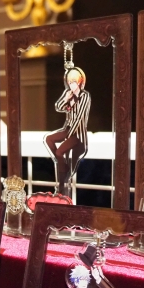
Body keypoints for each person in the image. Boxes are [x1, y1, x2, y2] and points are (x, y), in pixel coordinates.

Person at [44, 67, 91, 197]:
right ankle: (62, 164)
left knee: (60, 152)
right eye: (70, 82)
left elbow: (79, 118)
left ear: (80, 82)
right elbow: (58, 107)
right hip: (68, 129)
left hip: (78, 133)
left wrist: (68, 137)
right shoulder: (69, 94)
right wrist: (65, 98)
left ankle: (61, 184)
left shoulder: (85, 96)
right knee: (49, 139)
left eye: (74, 82)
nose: (71, 85)